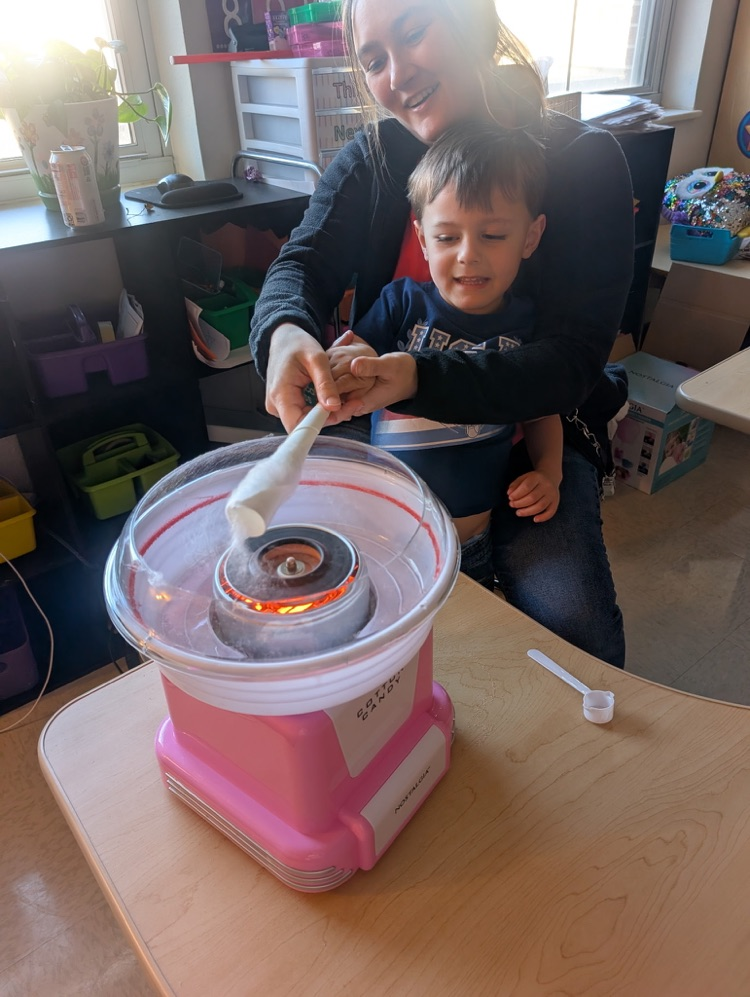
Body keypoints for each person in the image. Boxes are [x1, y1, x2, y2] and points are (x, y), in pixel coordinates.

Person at [249, 0, 635, 668]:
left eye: (413, 33)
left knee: (575, 636)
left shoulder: (581, 163)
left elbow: (569, 363)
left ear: (473, 23)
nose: (396, 74)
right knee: (344, 622)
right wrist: (283, 332)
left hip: (529, 437)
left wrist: (418, 378)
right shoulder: (373, 157)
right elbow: (301, 263)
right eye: (373, 60)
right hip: (395, 445)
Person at [327, 121, 563, 589]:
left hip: (470, 545)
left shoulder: (529, 324)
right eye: (447, 237)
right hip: (386, 533)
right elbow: (353, 363)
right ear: (421, 238)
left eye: (493, 235)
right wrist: (329, 370)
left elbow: (541, 410)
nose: (468, 255)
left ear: (531, 237)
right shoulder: (400, 302)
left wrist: (550, 473)